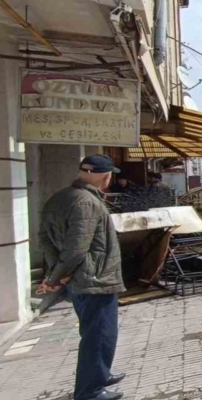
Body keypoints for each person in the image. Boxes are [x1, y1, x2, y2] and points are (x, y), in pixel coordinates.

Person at [38, 155, 126, 400]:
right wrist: (57, 276)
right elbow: (77, 248)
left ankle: (100, 374)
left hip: (81, 278)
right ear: (105, 175)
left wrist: (57, 271)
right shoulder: (87, 202)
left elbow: (45, 239)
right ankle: (90, 391)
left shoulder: (58, 198)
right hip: (94, 279)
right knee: (99, 335)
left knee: (96, 332)